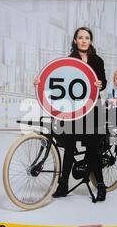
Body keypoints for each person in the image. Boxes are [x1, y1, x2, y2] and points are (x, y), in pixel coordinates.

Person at [34, 27, 108, 201]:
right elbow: (59, 82)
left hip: (93, 109)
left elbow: (103, 82)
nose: (84, 40)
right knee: (69, 147)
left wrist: (100, 84)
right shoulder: (69, 61)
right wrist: (41, 82)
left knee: (93, 149)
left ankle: (101, 186)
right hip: (73, 110)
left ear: (90, 41)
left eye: (87, 38)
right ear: (75, 40)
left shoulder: (98, 61)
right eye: (80, 37)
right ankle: (63, 185)